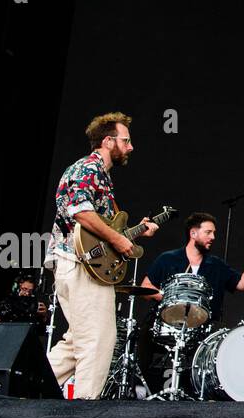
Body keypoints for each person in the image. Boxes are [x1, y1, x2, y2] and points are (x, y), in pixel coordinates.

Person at [45, 112, 160, 399]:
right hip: (82, 266)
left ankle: (22, 386)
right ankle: (85, 412)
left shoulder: (100, 175)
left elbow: (101, 225)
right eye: (126, 141)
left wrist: (136, 232)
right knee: (99, 340)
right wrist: (118, 239)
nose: (131, 147)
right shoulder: (88, 168)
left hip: (76, 265)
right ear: (108, 141)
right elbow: (80, 212)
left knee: (76, 342)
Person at [141, 212, 244, 326]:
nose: (213, 237)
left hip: (203, 334)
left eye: (213, 233)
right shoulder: (167, 259)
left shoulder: (216, 265)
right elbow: (145, 286)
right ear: (193, 233)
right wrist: (170, 298)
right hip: (169, 326)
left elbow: (243, 284)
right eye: (208, 232)